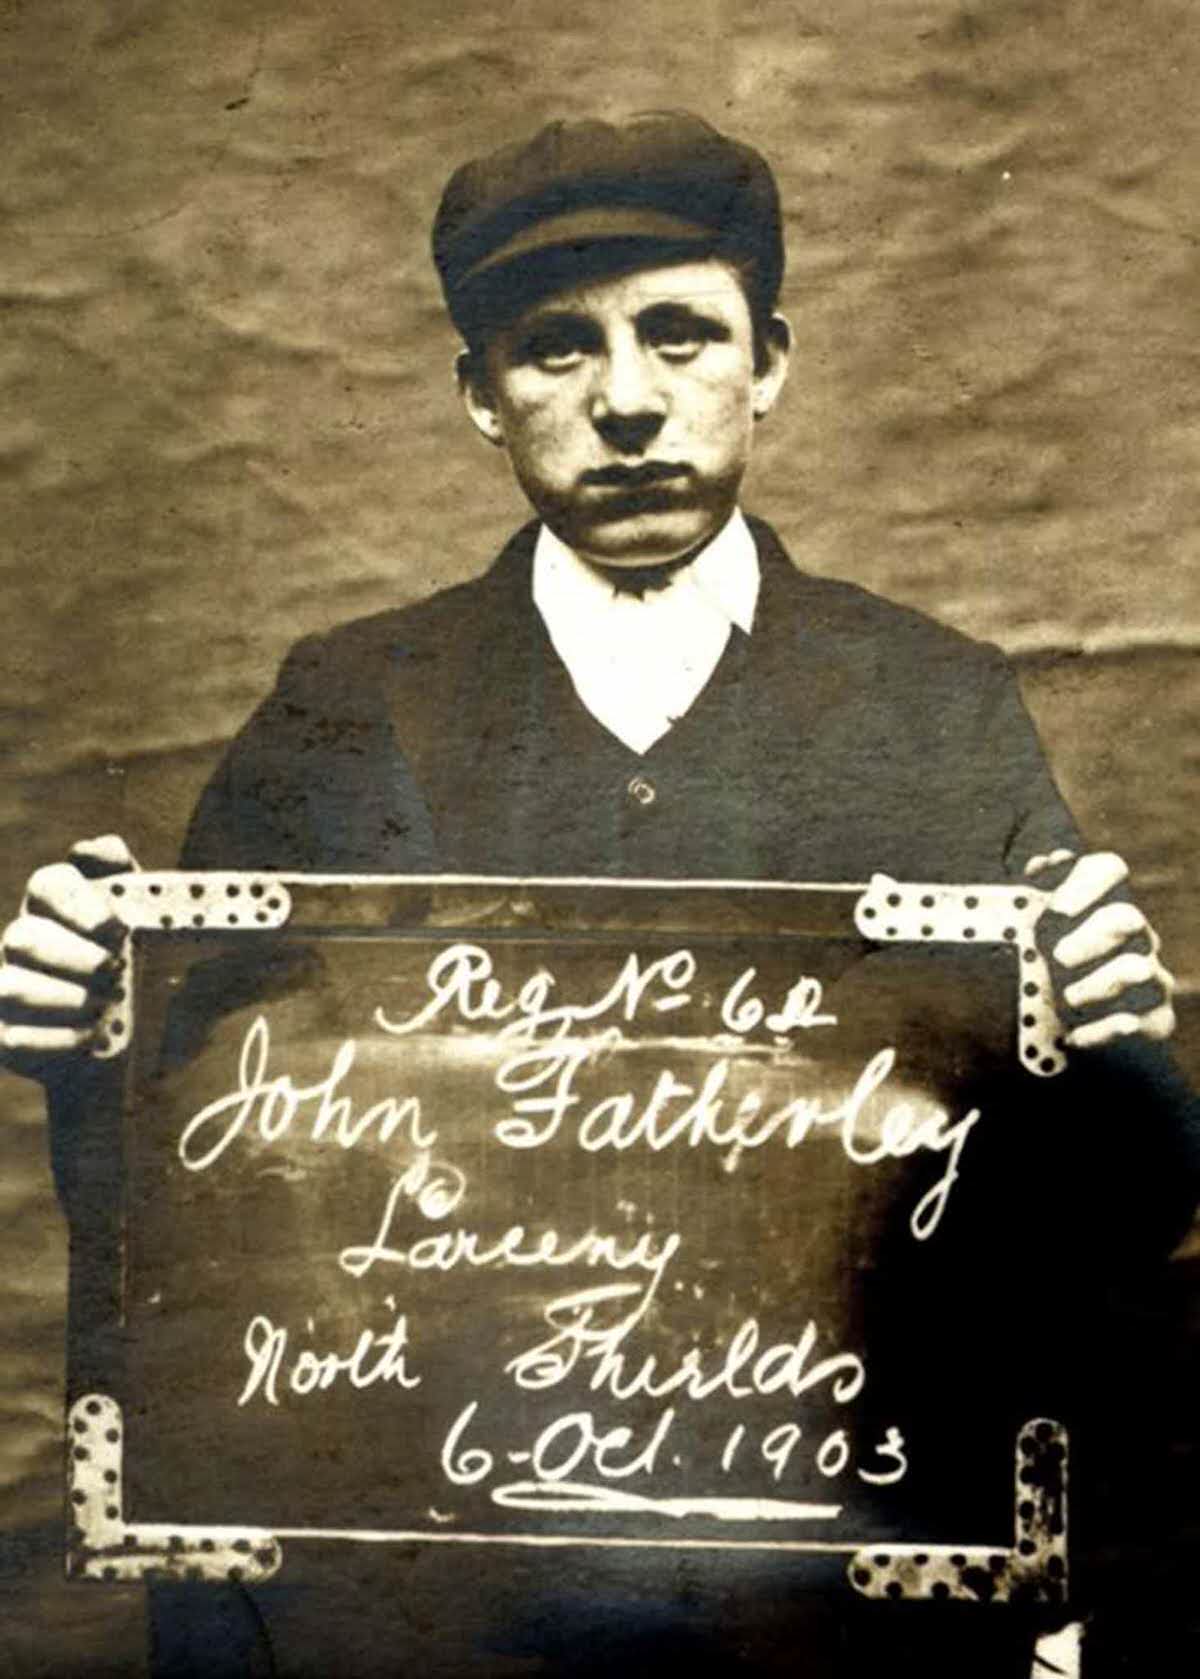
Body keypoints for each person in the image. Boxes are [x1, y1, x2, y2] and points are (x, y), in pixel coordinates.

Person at [0, 112, 1192, 1677]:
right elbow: (198, 1192)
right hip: (439, 1608)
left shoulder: (928, 704)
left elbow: (1115, 1217)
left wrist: (1113, 1047)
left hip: (823, 1609)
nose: (626, 402)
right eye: (554, 350)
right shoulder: (352, 704)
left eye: (679, 335)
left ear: (767, 362)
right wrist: (87, 1026)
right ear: (479, 398)